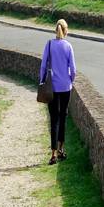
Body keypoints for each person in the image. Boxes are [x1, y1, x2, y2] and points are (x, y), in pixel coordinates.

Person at [39, 19, 76, 164]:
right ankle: (61, 149)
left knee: (54, 119)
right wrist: (70, 80)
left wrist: (42, 81)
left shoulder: (49, 45)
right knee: (63, 118)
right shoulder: (68, 46)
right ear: (66, 31)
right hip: (65, 87)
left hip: (52, 88)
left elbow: (43, 66)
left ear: (56, 30)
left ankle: (53, 154)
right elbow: (73, 69)